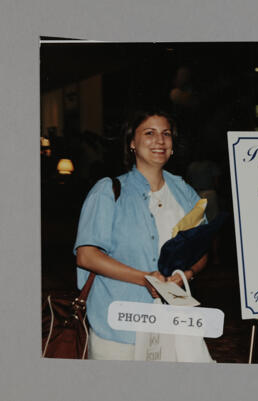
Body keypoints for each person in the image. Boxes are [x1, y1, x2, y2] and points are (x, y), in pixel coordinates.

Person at [74, 109, 208, 360]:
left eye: (166, 134)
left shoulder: (185, 193)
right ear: (132, 143)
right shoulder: (108, 191)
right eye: (149, 133)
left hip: (172, 323)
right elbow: (87, 256)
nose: (160, 140)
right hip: (118, 327)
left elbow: (201, 251)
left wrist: (186, 274)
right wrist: (145, 278)